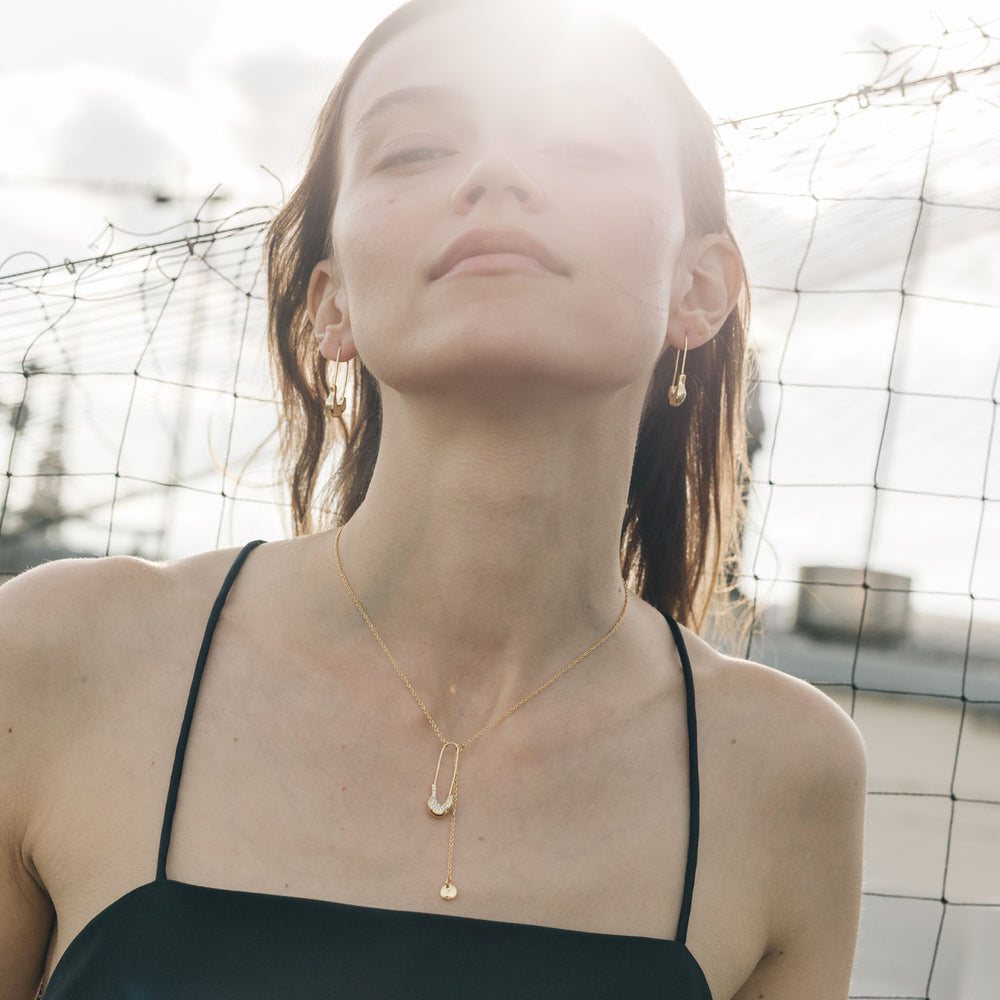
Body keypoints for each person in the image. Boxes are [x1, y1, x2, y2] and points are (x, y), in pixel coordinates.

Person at [0, 1, 867, 997]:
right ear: (329, 304)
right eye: (414, 149)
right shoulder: (59, 657)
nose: (493, 174)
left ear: (699, 288)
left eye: (583, 143)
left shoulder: (784, 772)